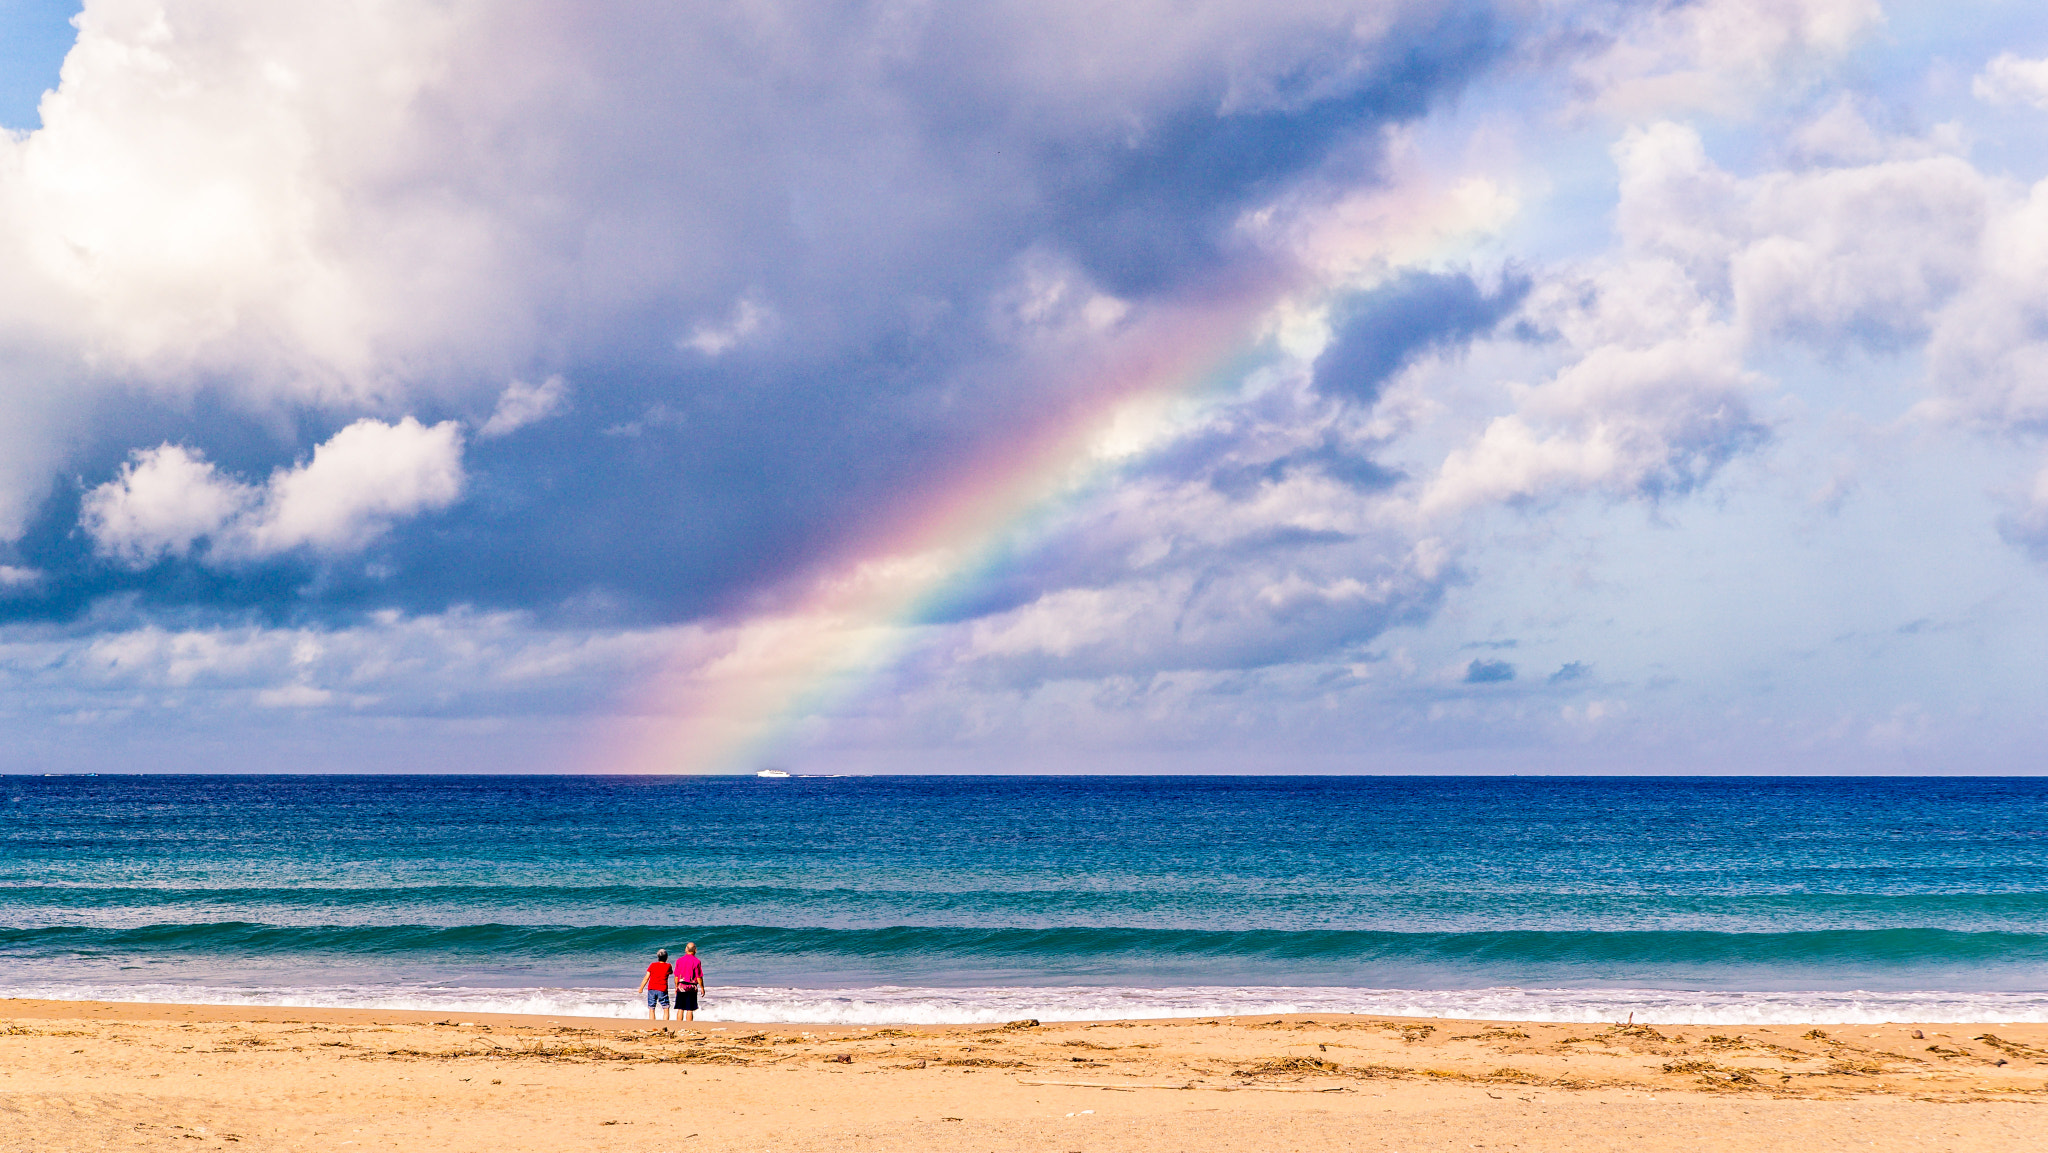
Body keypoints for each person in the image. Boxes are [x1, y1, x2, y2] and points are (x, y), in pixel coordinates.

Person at [636, 948, 673, 1023]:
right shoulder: (668, 966)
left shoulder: (652, 965)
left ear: (658, 957)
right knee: (665, 1008)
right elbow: (670, 972)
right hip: (662, 989)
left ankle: (652, 1024)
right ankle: (665, 1024)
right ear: (666, 957)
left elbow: (646, 977)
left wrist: (641, 988)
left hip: (652, 988)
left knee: (652, 1008)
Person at [673, 941, 706, 1022]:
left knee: (680, 1008)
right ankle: (688, 1026)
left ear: (686, 950)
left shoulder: (679, 960)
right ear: (695, 950)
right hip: (691, 987)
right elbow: (699, 976)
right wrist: (702, 987)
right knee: (690, 1009)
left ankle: (678, 1025)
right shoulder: (697, 961)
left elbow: (676, 976)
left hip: (681, 986)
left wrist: (676, 986)